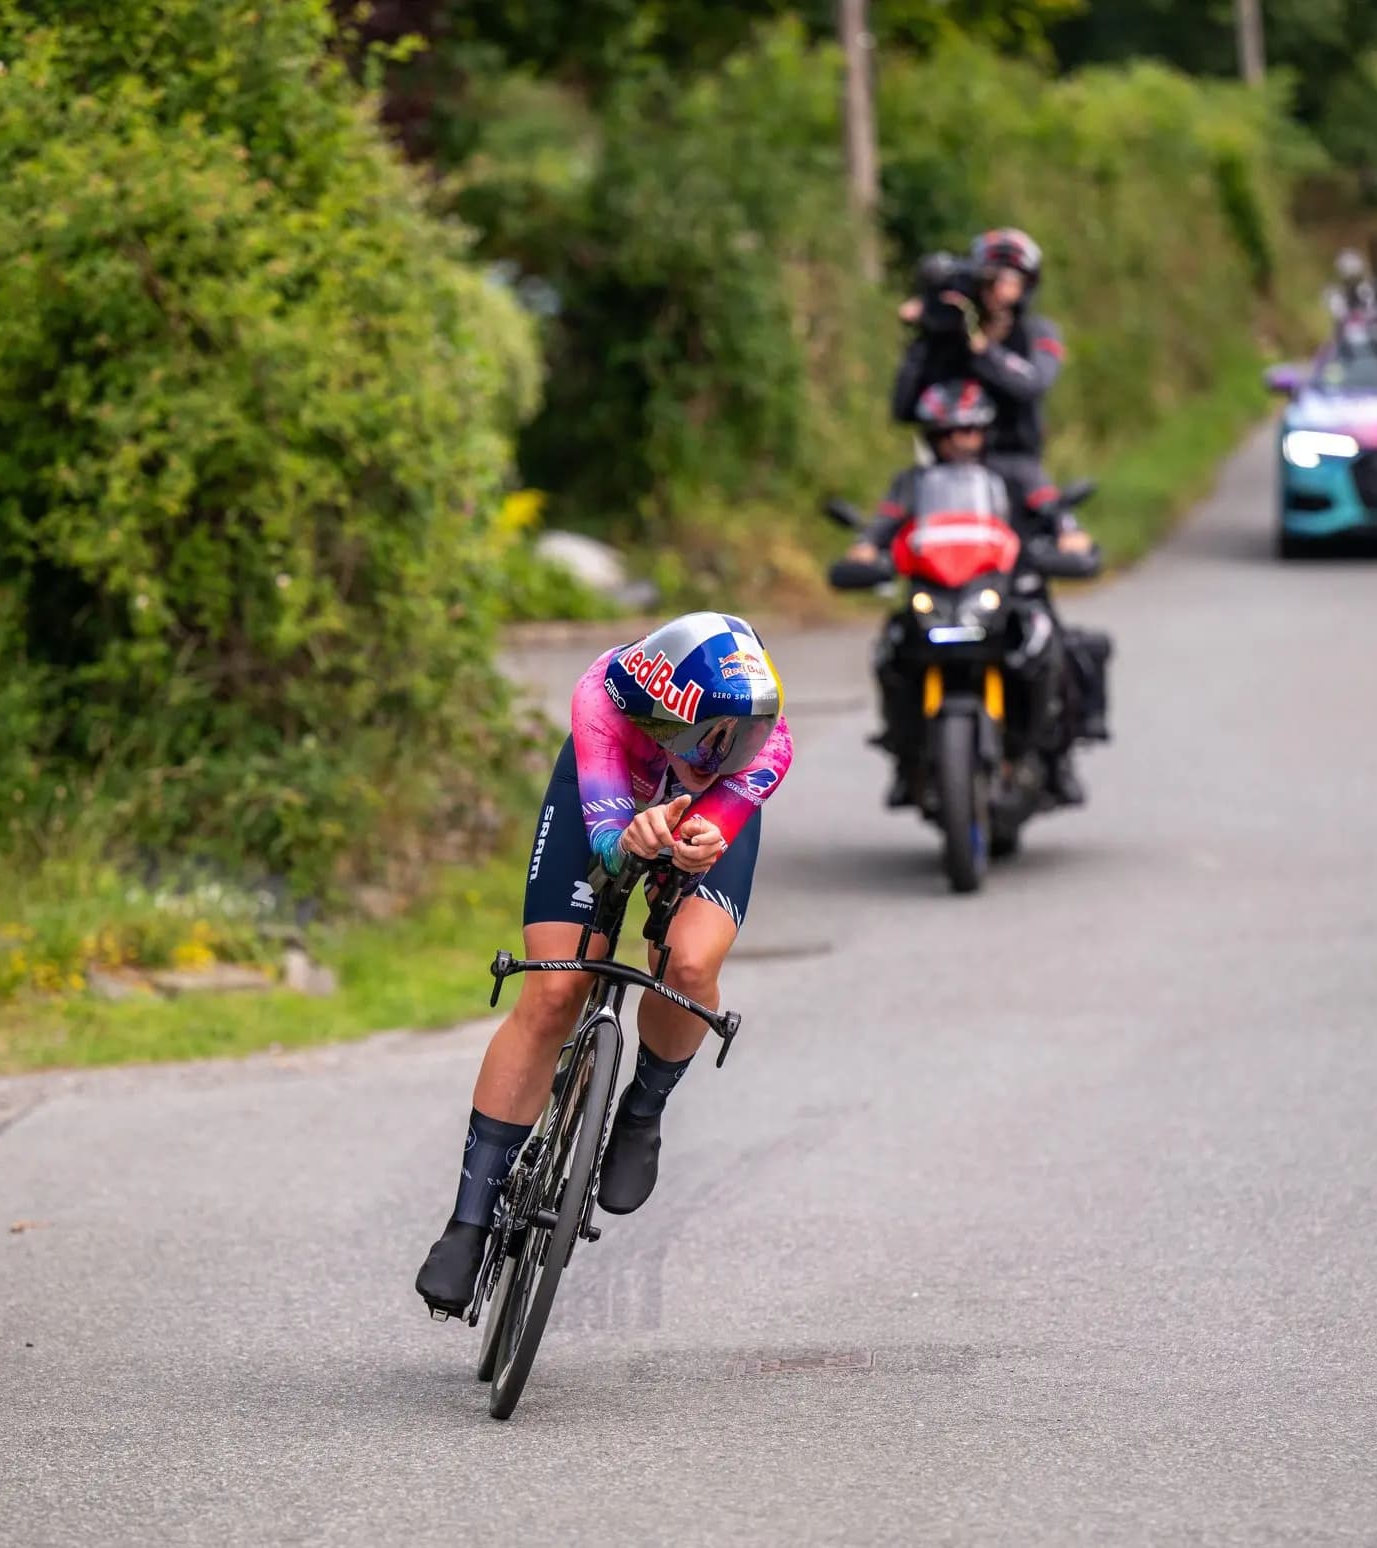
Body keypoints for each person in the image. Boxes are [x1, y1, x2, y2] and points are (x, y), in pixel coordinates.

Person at [414, 613, 792, 1315]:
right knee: (556, 990)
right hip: (608, 798)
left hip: (698, 822)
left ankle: (642, 1110)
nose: (733, 752)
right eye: (716, 737)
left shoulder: (763, 749)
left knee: (686, 968)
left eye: (748, 737)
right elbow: (611, 847)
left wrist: (702, 837)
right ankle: (468, 1221)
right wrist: (633, 841)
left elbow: (724, 809)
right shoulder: (603, 699)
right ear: (670, 716)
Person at [844, 380, 1096, 808]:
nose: (961, 441)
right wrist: (866, 549)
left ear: (985, 430)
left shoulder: (1016, 472)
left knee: (1047, 642)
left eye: (970, 430)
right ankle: (906, 752)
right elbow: (882, 526)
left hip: (1007, 591)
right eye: (948, 433)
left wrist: (1068, 537)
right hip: (937, 595)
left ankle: (1055, 754)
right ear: (932, 437)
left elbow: (1055, 512)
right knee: (890, 649)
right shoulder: (914, 483)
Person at [890, 228, 1064, 505]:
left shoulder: (1038, 333)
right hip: (945, 477)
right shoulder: (952, 334)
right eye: (990, 279)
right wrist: (926, 335)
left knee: (1061, 535)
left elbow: (1033, 383)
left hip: (1015, 470)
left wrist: (983, 349)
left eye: (1009, 280)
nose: (998, 290)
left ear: (1026, 285)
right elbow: (903, 407)